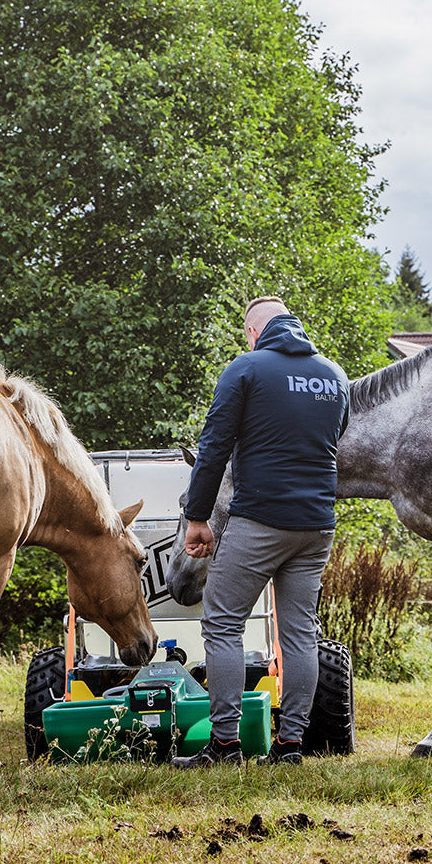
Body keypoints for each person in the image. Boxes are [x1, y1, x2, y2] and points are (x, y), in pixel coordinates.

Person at [172, 296, 349, 768]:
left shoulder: (247, 368)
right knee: (300, 634)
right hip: (318, 525)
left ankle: (225, 745)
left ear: (253, 332)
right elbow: (333, 441)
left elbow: (213, 447)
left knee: (223, 622)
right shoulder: (334, 375)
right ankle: (290, 747)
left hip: (260, 520)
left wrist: (198, 516)